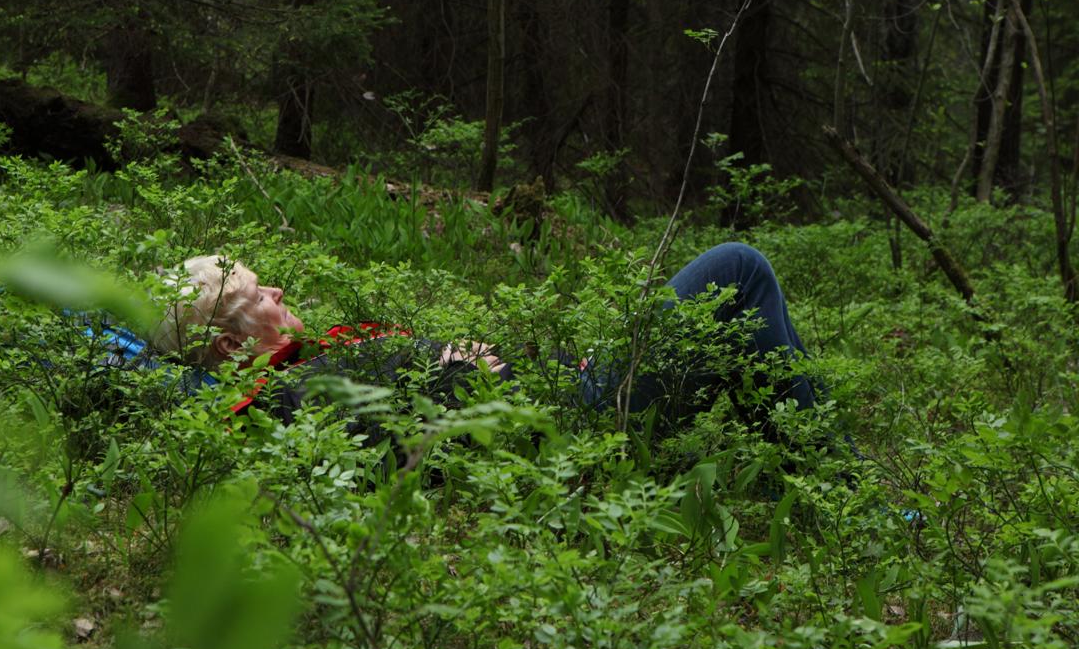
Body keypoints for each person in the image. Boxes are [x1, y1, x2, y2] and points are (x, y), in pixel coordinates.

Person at [141, 243, 819, 427]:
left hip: (574, 382)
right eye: (259, 295)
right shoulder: (289, 397)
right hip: (579, 413)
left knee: (749, 319)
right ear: (231, 345)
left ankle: (804, 457)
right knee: (737, 268)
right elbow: (395, 437)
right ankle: (832, 473)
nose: (278, 292)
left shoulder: (307, 365)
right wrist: (465, 368)